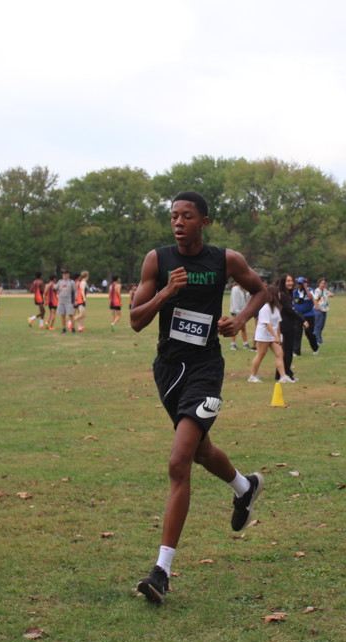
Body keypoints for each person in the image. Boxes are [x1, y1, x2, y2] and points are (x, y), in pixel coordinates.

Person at [129, 191, 267, 605]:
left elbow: (261, 291)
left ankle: (161, 571)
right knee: (201, 450)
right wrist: (165, 294)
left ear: (204, 222)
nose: (178, 222)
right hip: (169, 370)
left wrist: (240, 319)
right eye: (173, 216)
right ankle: (245, 487)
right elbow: (135, 320)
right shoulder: (157, 261)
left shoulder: (226, 260)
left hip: (206, 369)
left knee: (179, 460)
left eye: (187, 216)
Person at [248, 284, 288, 382]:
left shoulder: (276, 308)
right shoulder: (265, 308)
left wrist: (279, 335)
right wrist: (275, 336)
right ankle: (253, 376)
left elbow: (277, 323)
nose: (280, 294)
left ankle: (283, 377)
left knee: (280, 353)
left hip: (272, 336)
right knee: (261, 354)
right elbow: (267, 324)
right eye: (278, 293)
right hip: (264, 335)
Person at [276, 274, 302, 381]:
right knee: (286, 351)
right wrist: (303, 320)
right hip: (285, 326)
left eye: (291, 281)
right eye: (288, 281)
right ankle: (285, 374)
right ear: (283, 282)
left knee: (287, 351)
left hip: (291, 325)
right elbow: (290, 310)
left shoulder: (289, 294)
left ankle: (283, 374)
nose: (290, 283)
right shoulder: (282, 295)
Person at [291, 277, 318, 355]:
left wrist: (306, 289)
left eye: (301, 284)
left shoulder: (309, 290)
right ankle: (296, 351)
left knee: (309, 333)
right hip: (298, 315)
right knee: (297, 333)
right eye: (299, 284)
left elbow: (310, 298)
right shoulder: (295, 292)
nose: (300, 285)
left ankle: (315, 348)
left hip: (309, 315)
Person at [229, 279, 253, 351]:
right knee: (234, 328)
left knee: (243, 328)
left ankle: (245, 344)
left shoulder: (242, 290)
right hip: (236, 312)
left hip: (242, 312)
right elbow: (235, 301)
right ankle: (233, 344)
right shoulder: (235, 289)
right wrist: (237, 313)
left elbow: (246, 301)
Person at [311, 278, 333, 346]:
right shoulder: (317, 291)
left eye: (324, 283)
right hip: (319, 310)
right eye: (322, 283)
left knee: (322, 325)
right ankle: (318, 340)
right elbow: (315, 299)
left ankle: (319, 339)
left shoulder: (324, 290)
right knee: (318, 325)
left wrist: (327, 294)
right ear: (319, 283)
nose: (323, 285)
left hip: (324, 309)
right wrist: (317, 307)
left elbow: (332, 294)